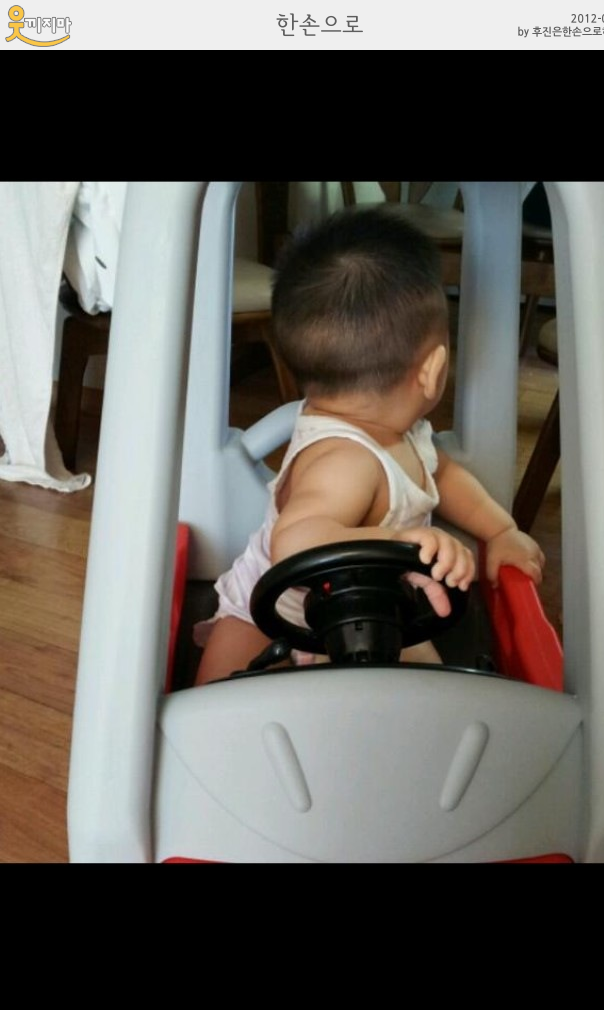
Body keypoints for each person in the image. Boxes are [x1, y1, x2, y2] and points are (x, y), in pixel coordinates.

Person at [194, 207, 545, 684]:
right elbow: (293, 540)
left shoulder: (406, 432)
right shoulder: (344, 461)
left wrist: (501, 530)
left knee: (433, 696)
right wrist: (398, 541)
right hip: (274, 615)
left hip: (380, 610)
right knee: (219, 699)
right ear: (433, 370)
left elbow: (444, 476)